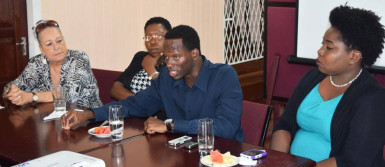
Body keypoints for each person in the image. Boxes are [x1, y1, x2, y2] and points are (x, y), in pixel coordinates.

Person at [62, 25, 244, 142]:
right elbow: (134, 105)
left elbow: (226, 127)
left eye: (176, 57)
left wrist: (170, 125)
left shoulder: (224, 76)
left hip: (223, 156)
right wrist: (89, 114)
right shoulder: (167, 78)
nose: (169, 63)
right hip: (183, 154)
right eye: (166, 58)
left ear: (194, 54)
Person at [270, 5, 385, 167]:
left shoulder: (372, 97)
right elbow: (284, 126)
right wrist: (279, 162)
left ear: (354, 56)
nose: (320, 51)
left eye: (329, 47)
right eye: (322, 44)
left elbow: (352, 162)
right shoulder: (313, 77)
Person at [2, 20, 102, 108]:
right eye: (49, 44)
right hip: (53, 120)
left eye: (59, 41)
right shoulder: (37, 63)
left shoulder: (79, 58)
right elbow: (13, 86)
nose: (56, 47)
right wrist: (11, 93)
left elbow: (69, 95)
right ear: (42, 49)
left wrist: (32, 97)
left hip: (89, 121)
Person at [110, 17, 172, 100]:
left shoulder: (175, 63)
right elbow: (115, 89)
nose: (153, 42)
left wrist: (149, 68)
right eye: (148, 37)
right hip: (131, 111)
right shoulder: (140, 57)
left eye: (158, 36)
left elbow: (167, 96)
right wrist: (139, 103)